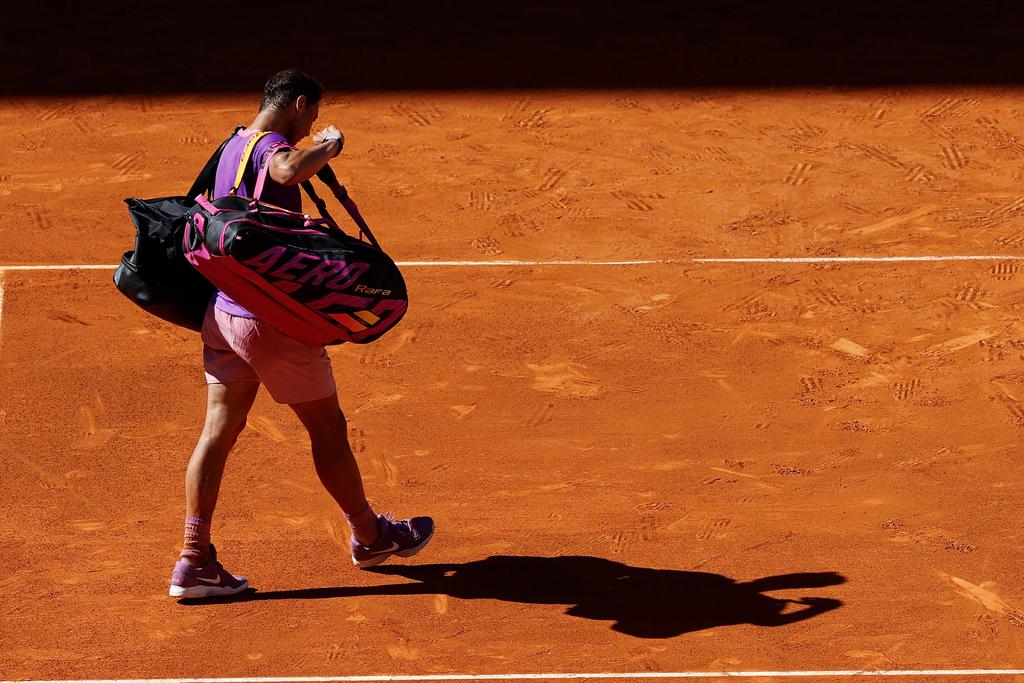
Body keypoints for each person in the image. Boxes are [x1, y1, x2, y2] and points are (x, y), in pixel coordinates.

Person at [169, 70, 434, 598]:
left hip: (224, 313)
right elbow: (287, 169)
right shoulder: (272, 146)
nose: (311, 123)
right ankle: (371, 535)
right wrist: (328, 145)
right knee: (327, 429)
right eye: (311, 115)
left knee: (217, 432)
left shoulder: (231, 146)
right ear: (298, 104)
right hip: (271, 322)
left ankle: (193, 559)